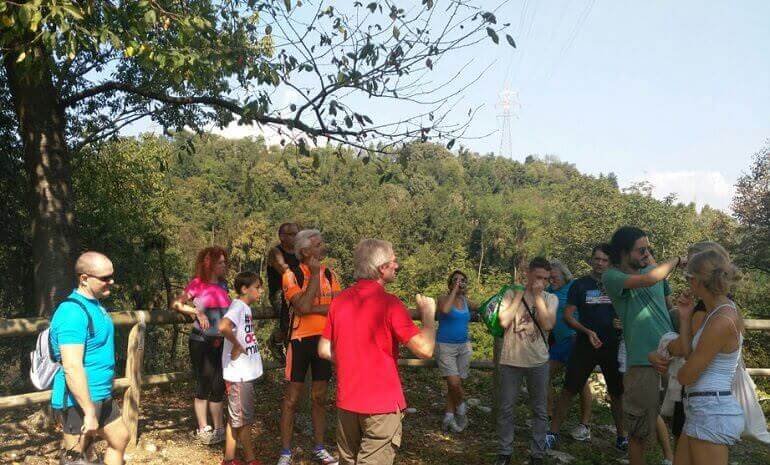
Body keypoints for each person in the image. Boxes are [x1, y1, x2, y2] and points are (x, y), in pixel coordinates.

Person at [318, 238, 437, 465]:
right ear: (382, 268)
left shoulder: (339, 301)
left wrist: (351, 358)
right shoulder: (390, 304)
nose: (397, 265)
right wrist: (428, 316)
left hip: (347, 403)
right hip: (381, 406)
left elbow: (324, 349)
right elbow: (425, 349)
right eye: (394, 261)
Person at [651, 248, 744, 465]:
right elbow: (689, 354)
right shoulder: (715, 313)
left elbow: (687, 375)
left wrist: (675, 364)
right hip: (700, 407)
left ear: (697, 281)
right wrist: (684, 317)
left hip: (712, 410)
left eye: (688, 278)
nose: (687, 284)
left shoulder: (722, 319)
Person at [601, 227, 685, 465]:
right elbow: (649, 279)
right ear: (623, 252)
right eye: (641, 250)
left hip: (672, 357)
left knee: (681, 422)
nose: (646, 254)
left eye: (648, 249)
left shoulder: (653, 270)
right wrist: (677, 260)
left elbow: (667, 305)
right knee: (639, 433)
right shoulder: (612, 276)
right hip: (641, 362)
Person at [50, 252, 129, 465]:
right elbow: (72, 367)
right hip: (79, 399)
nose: (111, 281)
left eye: (112, 276)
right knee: (77, 458)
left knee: (120, 438)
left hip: (101, 393)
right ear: (84, 278)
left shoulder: (95, 306)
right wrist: (88, 412)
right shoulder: (72, 313)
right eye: (105, 278)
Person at [548, 245, 627, 450]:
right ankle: (552, 433)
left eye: (604, 260)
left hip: (612, 345)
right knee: (569, 388)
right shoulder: (580, 285)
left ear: (611, 263)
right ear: (591, 260)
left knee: (617, 392)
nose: (600, 263)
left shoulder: (619, 283)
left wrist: (623, 321)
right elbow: (567, 315)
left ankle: (622, 437)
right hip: (585, 344)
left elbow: (630, 310)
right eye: (596, 259)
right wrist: (587, 331)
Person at [278, 229, 341, 465]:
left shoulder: (331, 274)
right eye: (318, 245)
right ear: (304, 251)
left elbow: (337, 307)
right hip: (300, 340)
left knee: (320, 397)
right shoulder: (291, 275)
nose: (323, 247)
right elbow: (301, 308)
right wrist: (313, 277)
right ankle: (285, 451)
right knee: (292, 398)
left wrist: (311, 307)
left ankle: (319, 447)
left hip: (325, 340)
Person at [495, 257, 558, 465]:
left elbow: (548, 324)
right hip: (511, 360)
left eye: (546, 279)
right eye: (538, 277)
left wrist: (538, 297)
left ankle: (537, 454)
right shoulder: (511, 293)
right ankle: (505, 452)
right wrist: (521, 294)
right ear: (529, 275)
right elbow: (504, 321)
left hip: (538, 361)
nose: (542, 282)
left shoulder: (550, 298)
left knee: (539, 410)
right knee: (506, 408)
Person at [172, 246, 230, 445]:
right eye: (220, 262)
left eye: (224, 262)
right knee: (204, 382)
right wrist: (197, 312)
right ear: (210, 264)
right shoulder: (197, 284)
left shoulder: (224, 285)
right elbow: (177, 304)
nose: (224, 265)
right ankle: (203, 427)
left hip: (222, 342)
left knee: (219, 384)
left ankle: (219, 427)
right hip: (201, 341)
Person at [219, 271, 265, 465]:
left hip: (243, 375)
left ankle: (229, 459)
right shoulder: (238, 306)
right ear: (245, 289)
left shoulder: (244, 308)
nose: (261, 291)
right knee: (243, 420)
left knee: (236, 418)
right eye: (257, 287)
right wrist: (237, 345)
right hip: (238, 376)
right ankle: (250, 459)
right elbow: (223, 326)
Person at [545, 259, 592, 441]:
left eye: (554, 277)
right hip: (559, 343)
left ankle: (585, 425)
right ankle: (548, 416)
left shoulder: (575, 286)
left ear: (564, 275)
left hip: (576, 340)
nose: (552, 280)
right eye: (549, 278)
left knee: (581, 382)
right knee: (544, 374)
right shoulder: (549, 291)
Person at [436, 270, 477, 433]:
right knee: (454, 383)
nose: (459, 282)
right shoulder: (442, 298)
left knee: (455, 384)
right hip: (445, 346)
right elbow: (445, 310)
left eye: (463, 280)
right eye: (456, 280)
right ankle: (462, 409)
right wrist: (454, 290)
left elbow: (483, 306)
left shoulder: (466, 301)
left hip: (464, 346)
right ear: (450, 283)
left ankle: (449, 416)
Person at [267, 223, 300, 363]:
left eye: (297, 234)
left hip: (298, 291)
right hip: (280, 293)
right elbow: (284, 270)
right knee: (289, 320)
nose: (295, 237)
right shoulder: (276, 252)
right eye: (291, 234)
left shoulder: (300, 252)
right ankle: (283, 345)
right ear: (281, 237)